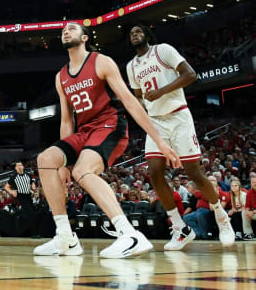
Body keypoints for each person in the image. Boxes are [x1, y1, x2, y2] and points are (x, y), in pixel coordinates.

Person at [35, 22, 181, 259]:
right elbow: (65, 120)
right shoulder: (60, 76)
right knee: (45, 159)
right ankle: (65, 238)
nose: (66, 31)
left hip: (109, 124)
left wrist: (160, 140)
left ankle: (129, 235)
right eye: (63, 30)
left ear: (84, 38)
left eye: (72, 29)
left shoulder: (101, 61)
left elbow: (130, 101)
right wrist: (65, 164)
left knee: (83, 171)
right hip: (83, 132)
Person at [127, 24, 235, 249]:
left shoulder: (163, 50)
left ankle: (221, 217)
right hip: (156, 122)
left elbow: (190, 75)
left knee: (193, 172)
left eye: (138, 32)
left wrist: (162, 91)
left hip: (178, 116)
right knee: (155, 173)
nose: (135, 35)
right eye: (131, 34)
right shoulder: (131, 66)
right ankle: (180, 228)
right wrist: (140, 107)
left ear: (147, 35)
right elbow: (139, 95)